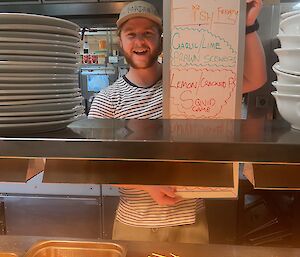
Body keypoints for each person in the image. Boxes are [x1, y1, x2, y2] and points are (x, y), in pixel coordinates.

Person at [89, 0, 267, 244]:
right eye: (131, 35)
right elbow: (95, 165)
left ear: (161, 39)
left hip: (190, 223)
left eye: (148, 34)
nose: (140, 42)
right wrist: (147, 184)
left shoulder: (191, 81)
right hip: (134, 225)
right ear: (120, 41)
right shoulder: (107, 100)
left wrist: (248, 24)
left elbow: (255, 79)